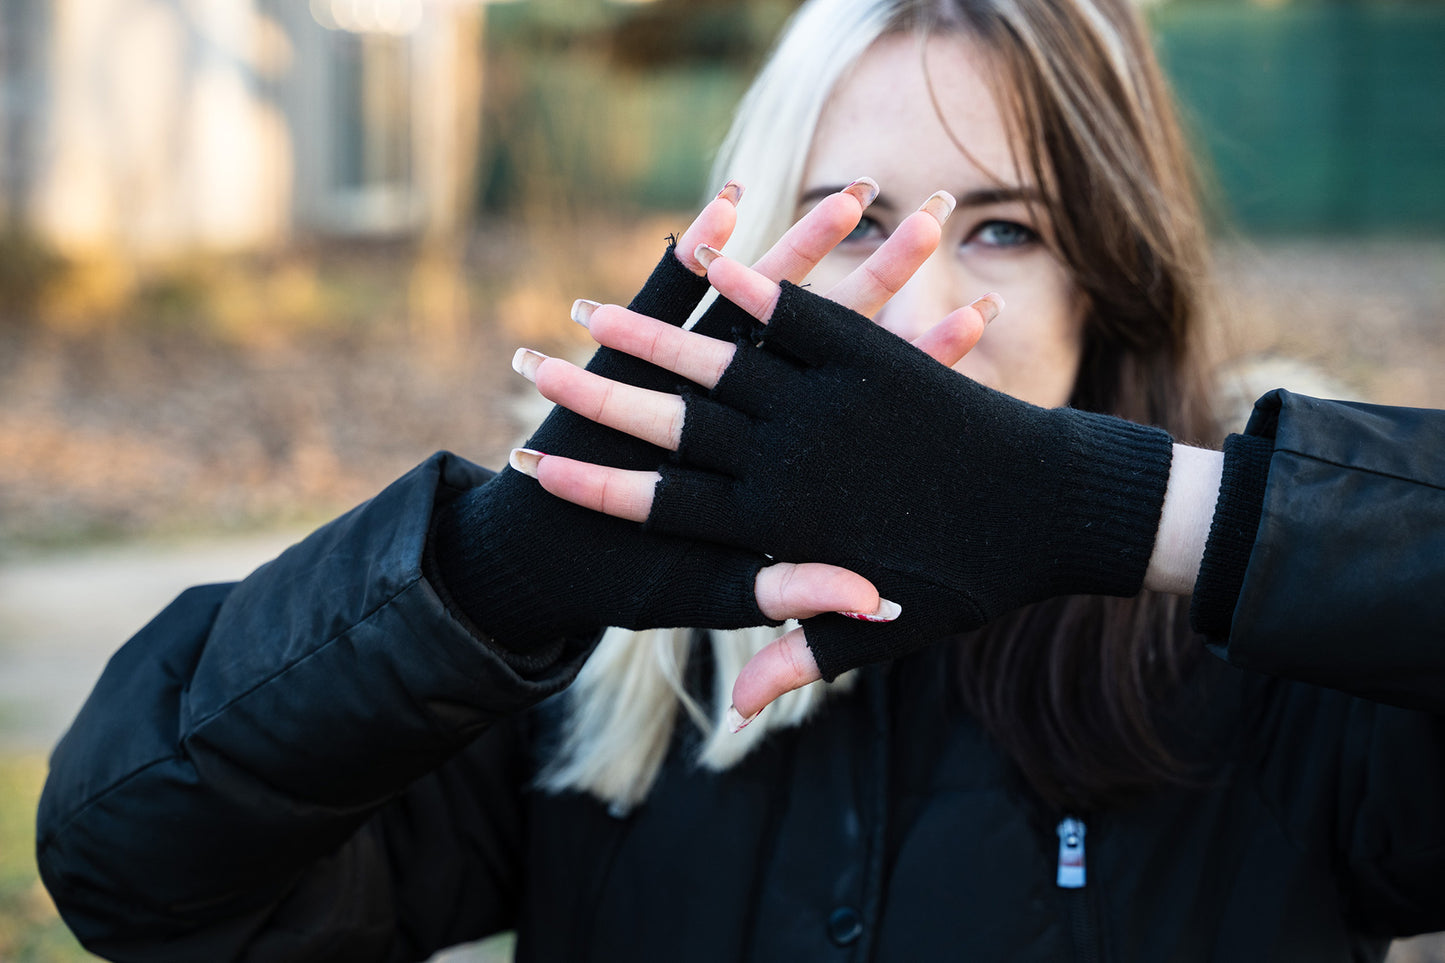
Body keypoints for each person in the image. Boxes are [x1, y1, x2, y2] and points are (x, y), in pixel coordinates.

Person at [35, 1, 1445, 962]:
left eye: (1006, 230)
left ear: (1109, 280)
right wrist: (483, 580)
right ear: (756, 253)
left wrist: (1135, 512)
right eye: (857, 222)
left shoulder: (1286, 673)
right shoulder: (587, 685)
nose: (915, 304)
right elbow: (133, 871)